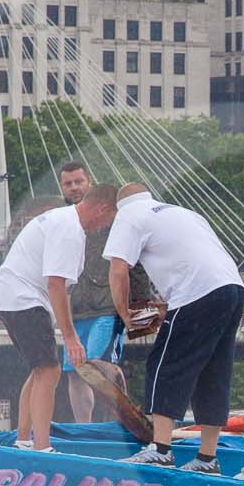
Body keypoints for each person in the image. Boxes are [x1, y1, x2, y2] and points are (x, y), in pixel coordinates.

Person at [104, 184, 244, 473]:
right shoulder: (184, 213)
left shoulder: (129, 215)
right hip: (232, 287)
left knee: (164, 365)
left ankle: (160, 449)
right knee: (213, 372)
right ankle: (207, 459)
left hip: (196, 291)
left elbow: (119, 270)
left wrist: (124, 314)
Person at [0, 183, 120, 452]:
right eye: (110, 218)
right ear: (103, 209)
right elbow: (56, 285)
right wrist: (71, 337)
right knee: (51, 371)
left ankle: (24, 439)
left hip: (15, 296)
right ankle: (41, 445)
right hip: (25, 299)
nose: (107, 225)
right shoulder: (68, 229)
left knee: (40, 371)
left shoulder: (62, 220)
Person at [55, 161, 153, 423]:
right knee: (74, 372)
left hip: (106, 309)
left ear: (90, 182)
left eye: (79, 181)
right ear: (62, 187)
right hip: (74, 310)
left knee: (101, 368)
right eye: (68, 183)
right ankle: (84, 429)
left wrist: (142, 306)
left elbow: (134, 263)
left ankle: (118, 422)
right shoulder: (62, 221)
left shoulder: (113, 219)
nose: (74, 187)